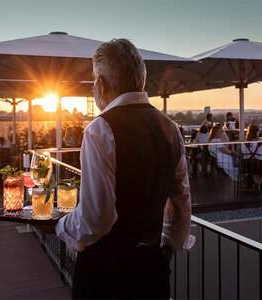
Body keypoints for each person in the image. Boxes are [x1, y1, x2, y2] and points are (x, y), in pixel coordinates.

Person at [39, 39, 194, 299]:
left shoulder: (100, 129)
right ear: (140, 80)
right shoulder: (171, 129)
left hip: (106, 275)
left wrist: (58, 226)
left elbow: (96, 218)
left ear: (101, 82)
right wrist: (166, 249)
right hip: (152, 271)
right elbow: (181, 204)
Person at [241, 125, 262, 189]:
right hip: (259, 164)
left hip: (246, 165)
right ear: (256, 133)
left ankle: (256, 183)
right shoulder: (259, 143)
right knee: (258, 170)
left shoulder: (243, 143)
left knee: (255, 171)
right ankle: (259, 183)